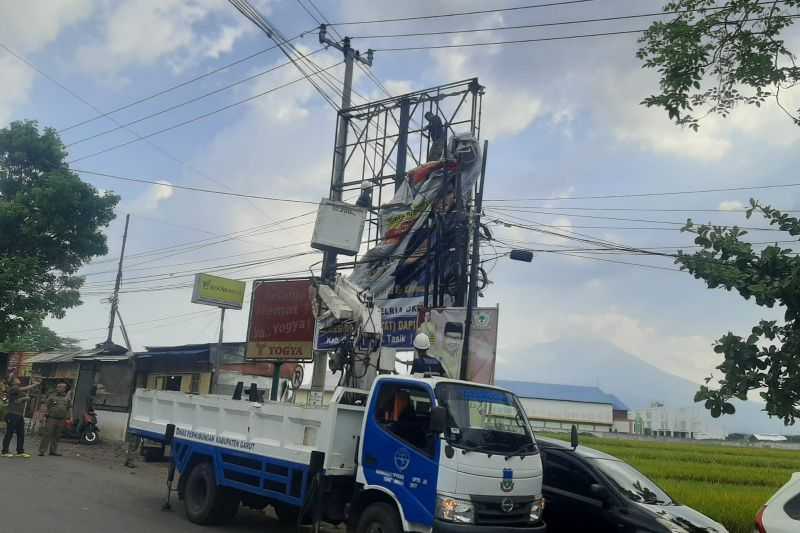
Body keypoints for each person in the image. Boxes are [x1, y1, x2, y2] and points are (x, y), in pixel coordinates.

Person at [2, 374, 39, 458]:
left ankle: (20, 451)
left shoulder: (18, 390)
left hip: (19, 414)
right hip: (12, 414)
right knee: (9, 433)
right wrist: (34, 384)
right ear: (12, 381)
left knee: (21, 433)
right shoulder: (13, 388)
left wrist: (24, 398)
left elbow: (20, 399)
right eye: (15, 378)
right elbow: (23, 391)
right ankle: (4, 451)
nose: (17, 379)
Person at [39, 382, 71, 457]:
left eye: (62, 387)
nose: (59, 388)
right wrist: (42, 416)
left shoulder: (67, 398)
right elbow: (45, 406)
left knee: (57, 435)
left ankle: (53, 451)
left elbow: (69, 408)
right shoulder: (52, 397)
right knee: (47, 434)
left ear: (65, 389)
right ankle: (42, 451)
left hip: (62, 419)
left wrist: (69, 417)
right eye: (58, 387)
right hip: (52, 418)